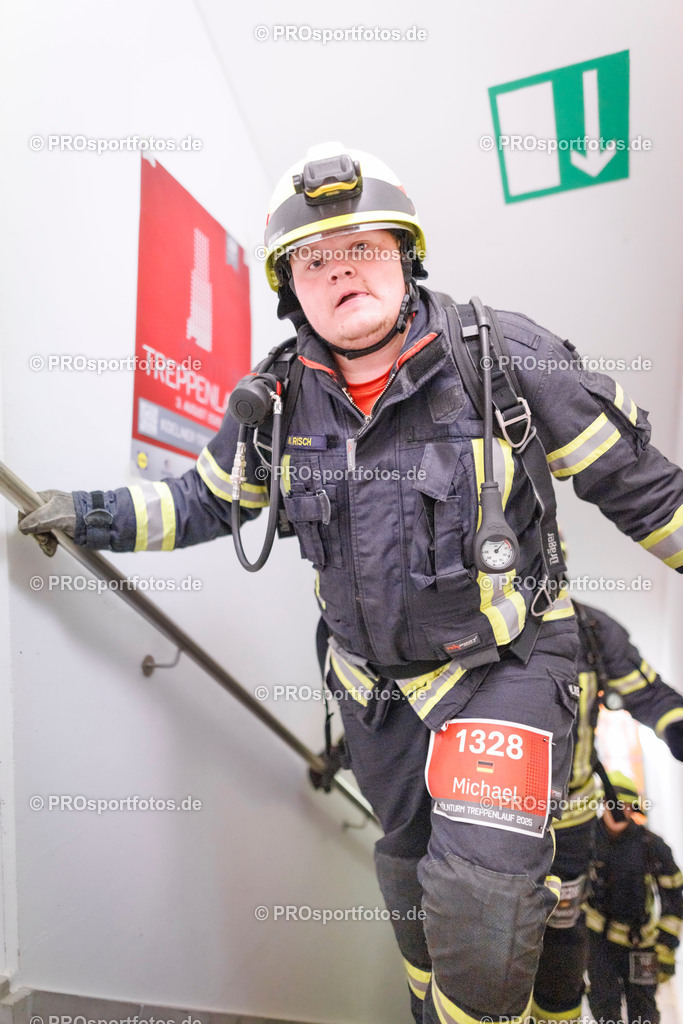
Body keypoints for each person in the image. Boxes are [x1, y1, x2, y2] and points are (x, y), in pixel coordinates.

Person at [18, 142, 683, 1024]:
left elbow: (650, 495)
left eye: (362, 247)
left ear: (405, 256)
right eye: (313, 260)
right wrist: (87, 513)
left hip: (506, 665)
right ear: (289, 289)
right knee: (409, 883)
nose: (340, 270)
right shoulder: (275, 400)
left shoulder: (504, 357)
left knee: (482, 900)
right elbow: (203, 502)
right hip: (373, 694)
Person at [531, 599, 683, 1024]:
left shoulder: (591, 631)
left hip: (573, 833)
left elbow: (674, 895)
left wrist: (664, 949)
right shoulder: (467, 620)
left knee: (634, 1006)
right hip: (498, 825)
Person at [584, 772, 682, 1024]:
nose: (618, 811)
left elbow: (675, 898)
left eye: (625, 806)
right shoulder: (586, 841)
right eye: (612, 804)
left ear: (632, 808)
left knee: (644, 1011)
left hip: (641, 945)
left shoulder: (652, 846)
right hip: (599, 943)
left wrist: (666, 947)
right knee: (604, 1006)